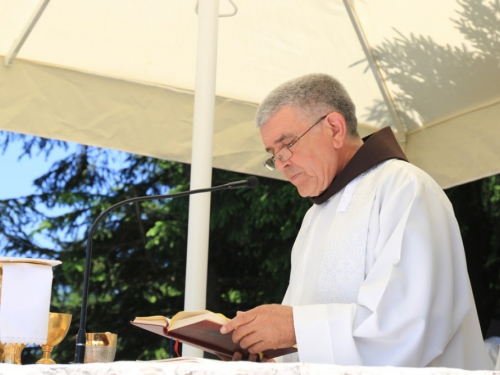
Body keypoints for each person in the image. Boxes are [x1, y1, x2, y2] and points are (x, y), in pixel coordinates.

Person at [220, 73, 492, 370]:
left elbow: (409, 326)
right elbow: (302, 339)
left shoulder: (405, 189)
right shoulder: (313, 217)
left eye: (287, 145)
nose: (281, 163)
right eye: (273, 155)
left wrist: (295, 326)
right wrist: (266, 354)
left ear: (335, 129)